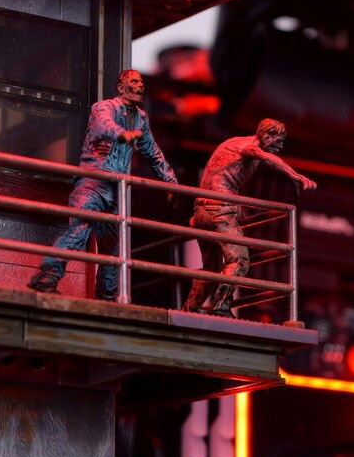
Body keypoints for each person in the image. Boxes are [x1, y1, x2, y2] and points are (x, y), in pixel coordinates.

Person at [28, 69, 178, 299]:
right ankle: (47, 276)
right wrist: (122, 134)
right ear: (121, 87)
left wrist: (170, 180)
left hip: (115, 190)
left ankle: (106, 298)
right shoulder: (103, 107)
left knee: (112, 249)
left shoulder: (141, 118)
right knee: (80, 228)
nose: (140, 86)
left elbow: (152, 152)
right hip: (93, 182)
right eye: (134, 81)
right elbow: (103, 125)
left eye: (141, 82)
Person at [183, 119, 316, 317]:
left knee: (212, 266)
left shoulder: (235, 143)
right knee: (239, 260)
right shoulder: (249, 146)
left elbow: (227, 176)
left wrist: (239, 206)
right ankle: (221, 306)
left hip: (202, 210)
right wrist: (295, 176)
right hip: (219, 209)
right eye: (278, 141)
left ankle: (191, 307)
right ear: (267, 136)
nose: (279, 147)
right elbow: (267, 158)